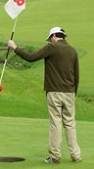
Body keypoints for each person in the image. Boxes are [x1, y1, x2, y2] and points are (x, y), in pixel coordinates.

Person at [8, 27, 81, 164]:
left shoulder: (51, 48)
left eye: (50, 38)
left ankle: (55, 157)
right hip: (70, 92)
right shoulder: (72, 50)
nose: (50, 40)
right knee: (70, 123)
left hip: (54, 92)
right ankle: (76, 155)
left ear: (54, 35)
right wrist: (74, 93)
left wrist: (15, 47)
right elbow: (76, 74)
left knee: (56, 123)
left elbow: (31, 58)